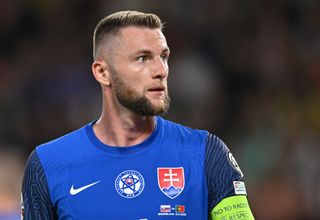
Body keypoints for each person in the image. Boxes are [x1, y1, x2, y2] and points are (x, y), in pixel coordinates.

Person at [21, 10, 254, 219]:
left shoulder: (206, 153)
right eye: (143, 58)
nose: (161, 71)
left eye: (163, 57)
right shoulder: (48, 164)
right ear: (102, 72)